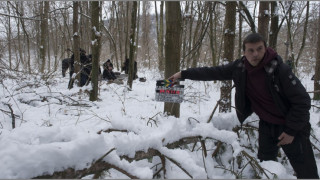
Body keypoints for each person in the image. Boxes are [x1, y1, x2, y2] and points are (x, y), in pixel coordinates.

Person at [169, 33, 319, 179]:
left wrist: (291, 131)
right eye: (251, 50)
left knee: (306, 171)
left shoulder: (279, 70)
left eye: (259, 49)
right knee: (266, 167)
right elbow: (212, 72)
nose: (255, 54)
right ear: (244, 52)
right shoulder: (240, 68)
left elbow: (302, 101)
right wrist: (183, 74)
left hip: (291, 126)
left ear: (265, 48)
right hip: (267, 125)